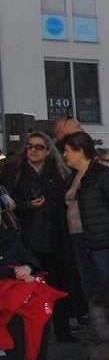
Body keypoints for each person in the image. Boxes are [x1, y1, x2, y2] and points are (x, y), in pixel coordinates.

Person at [0, 131, 79, 344]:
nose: (34, 150)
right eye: (30, 146)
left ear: (47, 150)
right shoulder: (15, 170)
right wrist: (27, 205)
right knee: (31, 287)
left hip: (56, 236)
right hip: (28, 238)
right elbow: (8, 204)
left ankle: (62, 330)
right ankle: (31, 335)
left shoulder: (58, 170)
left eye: (39, 147)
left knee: (59, 284)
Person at [62, 131, 109, 299]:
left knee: (108, 285)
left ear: (80, 151)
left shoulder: (104, 175)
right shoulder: (72, 177)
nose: (64, 155)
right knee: (89, 285)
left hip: (103, 241)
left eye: (68, 151)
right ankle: (97, 321)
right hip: (79, 239)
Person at [1, 214, 65, 360]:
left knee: (42, 310)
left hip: (21, 284)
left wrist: (27, 267)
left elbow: (30, 258)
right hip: (4, 288)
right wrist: (11, 273)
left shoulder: (10, 237)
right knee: (14, 315)